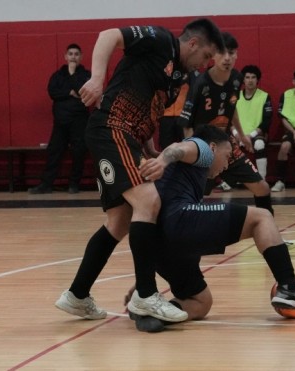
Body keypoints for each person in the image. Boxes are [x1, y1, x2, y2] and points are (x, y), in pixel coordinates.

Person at [54, 19, 225, 325]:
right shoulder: (159, 40)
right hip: (112, 128)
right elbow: (108, 36)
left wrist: (150, 148)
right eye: (207, 56)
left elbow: (150, 110)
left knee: (119, 222)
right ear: (194, 44)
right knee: (149, 202)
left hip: (129, 137)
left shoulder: (179, 76)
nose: (206, 64)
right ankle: (146, 294)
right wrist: (96, 79)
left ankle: (77, 296)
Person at [126, 125, 295, 332]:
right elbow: (178, 148)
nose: (226, 165)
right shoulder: (203, 149)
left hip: (162, 247)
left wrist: (144, 283)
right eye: (227, 155)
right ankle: (289, 286)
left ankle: (150, 313)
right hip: (179, 221)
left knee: (201, 303)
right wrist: (162, 159)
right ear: (214, 148)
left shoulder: (187, 174)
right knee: (262, 217)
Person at [179, 32, 275, 215]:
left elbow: (232, 107)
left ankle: (269, 232)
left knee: (262, 187)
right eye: (222, 53)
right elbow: (186, 124)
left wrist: (242, 134)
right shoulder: (200, 84)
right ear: (213, 55)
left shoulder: (237, 79)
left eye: (231, 53)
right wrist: (196, 153)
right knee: (194, 197)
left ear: (236, 55)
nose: (227, 58)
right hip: (203, 147)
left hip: (227, 144)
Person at [29, 44, 91, 194]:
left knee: (78, 152)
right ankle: (46, 184)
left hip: (79, 120)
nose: (73, 57)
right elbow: (53, 92)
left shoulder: (86, 75)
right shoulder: (57, 75)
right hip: (61, 121)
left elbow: (82, 91)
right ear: (66, 56)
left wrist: (72, 74)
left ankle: (74, 184)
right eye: (70, 54)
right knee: (54, 151)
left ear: (81, 57)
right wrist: (69, 92)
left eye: (76, 54)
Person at [236, 64, 273, 180]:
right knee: (225, 145)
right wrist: (238, 135)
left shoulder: (264, 96)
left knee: (259, 144)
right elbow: (229, 118)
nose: (250, 80)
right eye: (247, 77)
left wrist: (249, 136)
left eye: (253, 77)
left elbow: (266, 122)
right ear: (243, 79)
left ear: (257, 80)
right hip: (238, 134)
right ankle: (227, 181)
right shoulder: (235, 95)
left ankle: (261, 179)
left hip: (257, 134)